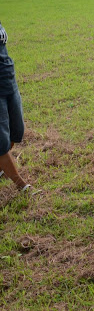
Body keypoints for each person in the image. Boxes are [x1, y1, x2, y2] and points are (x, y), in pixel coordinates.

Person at [0, 22, 34, 194]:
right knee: (1, 141)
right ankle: (21, 185)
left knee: (17, 130)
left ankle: (1, 165)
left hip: (8, 78)